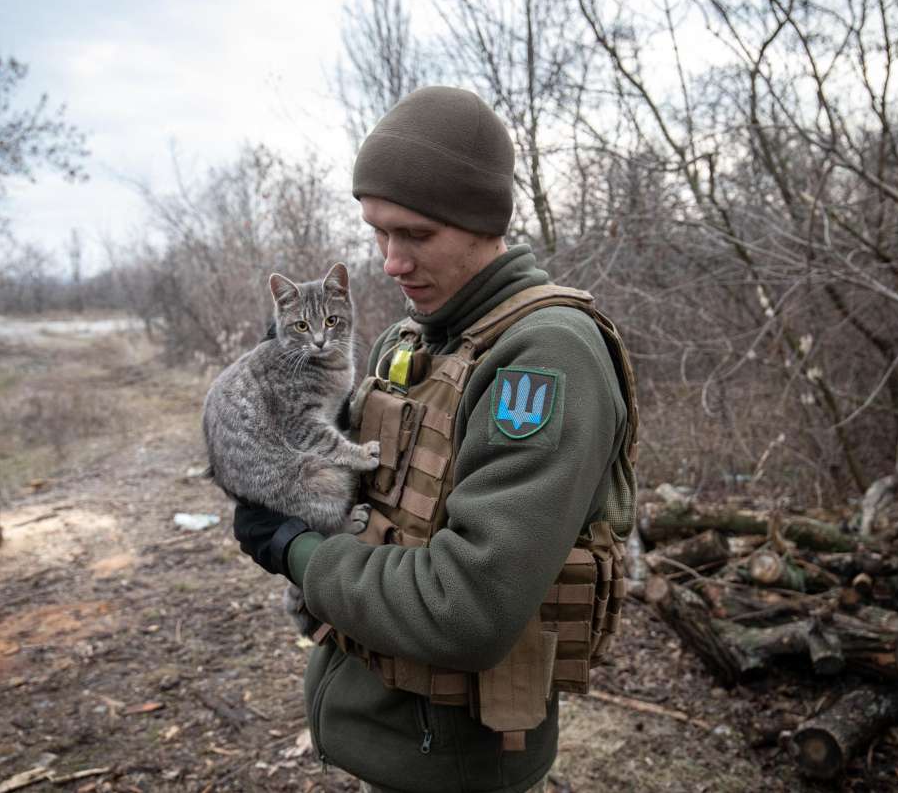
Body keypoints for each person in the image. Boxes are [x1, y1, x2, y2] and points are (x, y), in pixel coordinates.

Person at [231, 86, 637, 793]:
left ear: (482, 223)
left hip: (456, 768)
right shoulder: (411, 339)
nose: (390, 262)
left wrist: (294, 551)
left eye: (415, 235)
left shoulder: (544, 357)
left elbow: (467, 607)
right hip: (387, 740)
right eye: (378, 233)